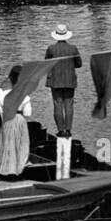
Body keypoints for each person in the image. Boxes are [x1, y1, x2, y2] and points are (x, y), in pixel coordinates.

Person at [44, 23, 82, 178]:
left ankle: (60, 130)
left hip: (55, 80)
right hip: (69, 79)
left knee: (57, 104)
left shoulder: (51, 49)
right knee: (69, 104)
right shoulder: (73, 48)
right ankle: (69, 129)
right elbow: (79, 64)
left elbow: (46, 63)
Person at [0, 65, 32, 177]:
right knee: (21, 144)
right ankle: (18, 169)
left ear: (10, 79)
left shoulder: (3, 94)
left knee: (6, 143)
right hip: (20, 119)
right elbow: (28, 113)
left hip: (7, 119)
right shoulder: (25, 96)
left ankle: (6, 168)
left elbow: (0, 111)